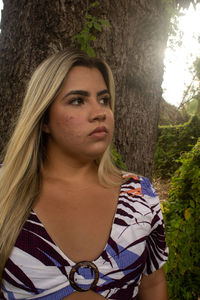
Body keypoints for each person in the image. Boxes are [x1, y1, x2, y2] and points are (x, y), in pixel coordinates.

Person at [0, 49, 168, 300]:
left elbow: (153, 286)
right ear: (44, 118)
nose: (100, 112)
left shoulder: (140, 195)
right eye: (78, 100)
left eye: (103, 99)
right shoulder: (5, 190)